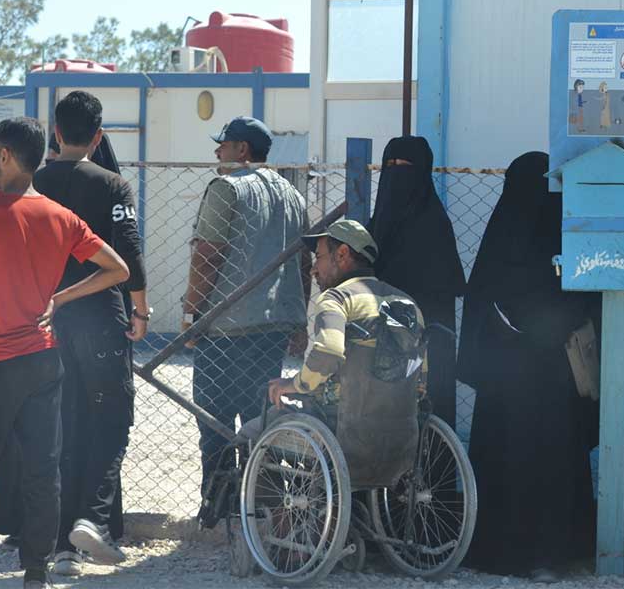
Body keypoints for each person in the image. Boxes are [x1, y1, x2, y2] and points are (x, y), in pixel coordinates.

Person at [0, 117, 129, 589]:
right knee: (43, 473)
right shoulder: (61, 217)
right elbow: (117, 269)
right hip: (43, 361)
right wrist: (60, 298)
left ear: (7, 156)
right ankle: (36, 573)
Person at [0, 91, 149, 576]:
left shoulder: (28, 187)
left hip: (37, 322)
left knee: (52, 428)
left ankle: (56, 543)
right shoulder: (114, 185)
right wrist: (140, 311)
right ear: (98, 137)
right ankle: (92, 521)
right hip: (100, 317)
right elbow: (130, 253)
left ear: (55, 134)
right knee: (112, 416)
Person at [457, 151, 600, 580]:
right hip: (554, 376)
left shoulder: (504, 229)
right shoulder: (570, 231)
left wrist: (511, 327)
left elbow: (483, 298)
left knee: (509, 454)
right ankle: (555, 551)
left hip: (508, 378)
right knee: (556, 454)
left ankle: (502, 549)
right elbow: (585, 298)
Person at [182, 115, 310, 498]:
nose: (218, 151)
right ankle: (265, 505)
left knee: (215, 422)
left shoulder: (226, 188)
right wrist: (299, 320)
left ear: (242, 150)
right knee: (261, 421)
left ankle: (217, 504)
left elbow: (207, 254)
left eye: (224, 144)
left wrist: (191, 313)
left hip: (225, 327)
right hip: (272, 329)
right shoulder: (293, 195)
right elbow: (303, 263)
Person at [262, 219, 421, 490]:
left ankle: (279, 523)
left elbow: (328, 351)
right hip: (401, 444)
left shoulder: (338, 299)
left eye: (319, 257)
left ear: (343, 254)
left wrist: (295, 385)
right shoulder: (407, 304)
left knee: (259, 428)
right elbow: (420, 379)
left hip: (345, 435)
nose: (313, 268)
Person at [368, 136, 465, 427]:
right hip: (382, 339)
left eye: (405, 165)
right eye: (390, 165)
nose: (396, 172)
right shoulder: (378, 222)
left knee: (426, 411)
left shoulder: (433, 224)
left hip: (427, 341)